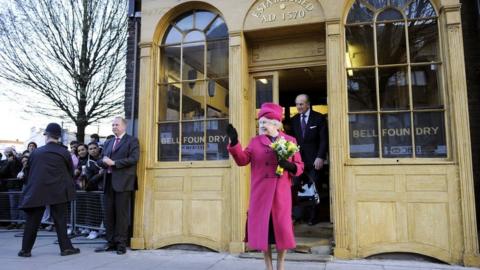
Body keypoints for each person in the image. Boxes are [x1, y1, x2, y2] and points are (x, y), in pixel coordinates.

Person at [226, 103, 304, 270]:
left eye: (265, 122)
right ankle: (268, 266)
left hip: (280, 195)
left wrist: (289, 166)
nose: (261, 126)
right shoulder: (255, 142)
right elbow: (242, 160)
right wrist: (234, 143)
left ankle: (280, 265)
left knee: (282, 232)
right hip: (260, 195)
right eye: (260, 123)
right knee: (264, 233)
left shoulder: (290, 141)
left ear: (276, 124)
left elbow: (300, 167)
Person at [18, 122, 80, 257]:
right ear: (58, 137)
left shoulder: (36, 152)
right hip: (58, 190)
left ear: (46, 135)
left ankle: (25, 250)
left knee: (32, 222)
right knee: (60, 221)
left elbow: (28, 173)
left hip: (37, 191)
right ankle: (66, 248)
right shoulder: (64, 152)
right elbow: (70, 172)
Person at [94, 117, 139, 255]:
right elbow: (101, 159)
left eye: (116, 125)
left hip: (123, 183)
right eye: (112, 125)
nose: (114, 127)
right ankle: (110, 242)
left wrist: (114, 163)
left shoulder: (132, 140)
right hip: (108, 182)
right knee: (108, 214)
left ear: (124, 126)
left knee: (121, 215)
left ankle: (121, 244)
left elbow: (134, 159)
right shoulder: (108, 142)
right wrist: (103, 161)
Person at [290, 94, 328, 225]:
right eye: (297, 104)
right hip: (298, 161)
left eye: (301, 104)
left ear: (308, 104)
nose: (299, 107)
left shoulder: (319, 118)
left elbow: (324, 140)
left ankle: (313, 217)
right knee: (297, 187)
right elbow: (292, 141)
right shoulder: (294, 120)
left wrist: (321, 157)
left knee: (313, 188)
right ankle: (299, 216)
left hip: (314, 160)